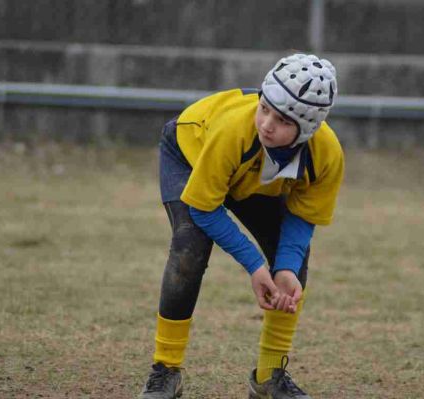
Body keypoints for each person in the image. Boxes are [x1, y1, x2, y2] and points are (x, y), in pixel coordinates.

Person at [139, 53, 344, 399]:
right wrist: (254, 265)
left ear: (307, 128)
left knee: (292, 263)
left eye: (281, 119)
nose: (265, 123)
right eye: (264, 108)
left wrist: (286, 268)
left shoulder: (327, 156)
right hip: (190, 152)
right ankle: (165, 370)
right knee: (190, 245)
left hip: (249, 177)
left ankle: (268, 377)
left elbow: (303, 217)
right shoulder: (236, 130)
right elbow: (205, 210)